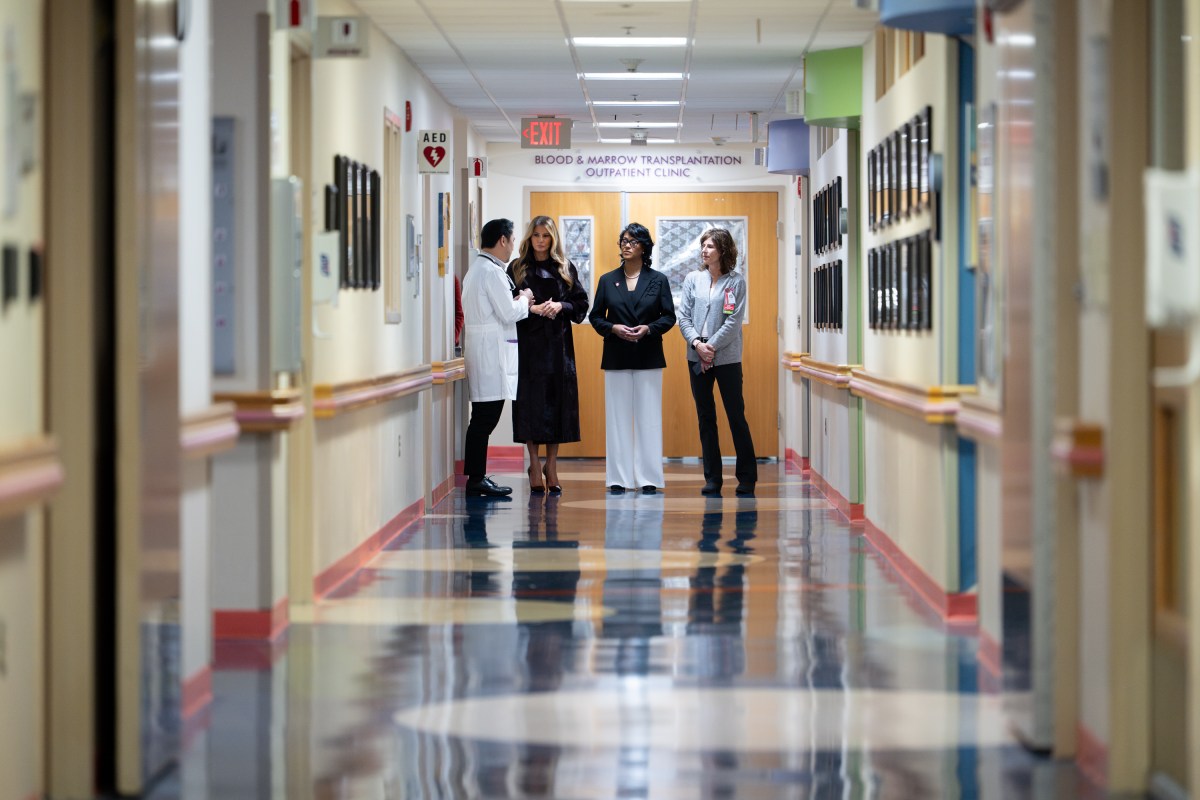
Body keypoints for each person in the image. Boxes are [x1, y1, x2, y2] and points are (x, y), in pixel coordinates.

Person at [588, 222, 677, 494]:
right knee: (617, 418)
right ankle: (619, 478)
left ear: (644, 247)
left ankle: (649, 478)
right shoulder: (607, 279)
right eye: (623, 241)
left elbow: (669, 317)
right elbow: (595, 317)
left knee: (648, 417)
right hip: (616, 355)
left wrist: (649, 329)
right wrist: (612, 328)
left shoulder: (658, 280)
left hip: (648, 355)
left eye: (633, 241)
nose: (626, 245)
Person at [508, 215, 590, 494]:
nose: (541, 241)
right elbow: (506, 306)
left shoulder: (565, 267)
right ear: (529, 238)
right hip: (528, 349)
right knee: (530, 406)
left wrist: (560, 307)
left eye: (546, 236)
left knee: (557, 406)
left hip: (558, 349)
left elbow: (581, 304)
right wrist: (529, 308)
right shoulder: (516, 268)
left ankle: (551, 465)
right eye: (536, 235)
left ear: (553, 239)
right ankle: (533, 462)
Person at [677, 228, 757, 495]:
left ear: (723, 250)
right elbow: (684, 317)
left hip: (727, 358)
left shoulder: (736, 282)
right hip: (696, 356)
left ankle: (746, 477)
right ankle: (713, 478)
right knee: (706, 418)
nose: (704, 250)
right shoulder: (692, 279)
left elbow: (733, 322)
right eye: (703, 245)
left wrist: (711, 346)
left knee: (736, 416)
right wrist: (698, 344)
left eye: (710, 246)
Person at [461, 218, 533, 497]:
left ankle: (476, 477)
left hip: (486, 349)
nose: (513, 247)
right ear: (503, 240)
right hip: (489, 352)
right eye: (513, 241)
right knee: (484, 418)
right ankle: (475, 479)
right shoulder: (490, 272)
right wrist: (524, 298)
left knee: (483, 417)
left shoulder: (481, 269)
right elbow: (508, 313)